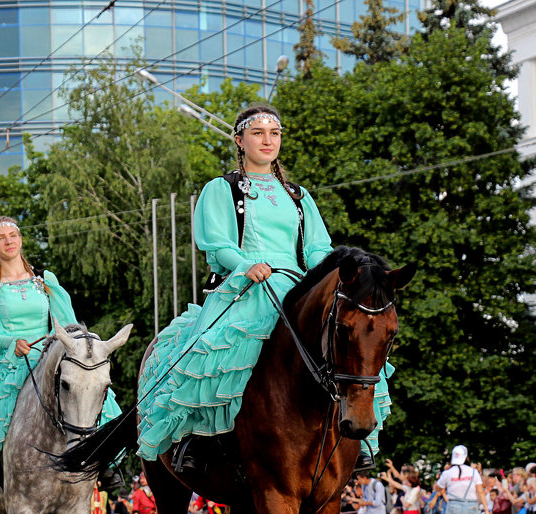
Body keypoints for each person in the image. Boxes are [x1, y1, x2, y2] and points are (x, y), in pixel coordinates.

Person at [136, 104, 391, 475]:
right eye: (258, 133)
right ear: (240, 141)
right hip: (247, 285)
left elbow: (317, 249)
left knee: (354, 343)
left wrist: (338, 271)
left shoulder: (298, 195)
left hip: (298, 288)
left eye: (274, 133)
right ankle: (194, 438)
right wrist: (244, 264)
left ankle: (358, 437)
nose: (267, 140)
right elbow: (216, 241)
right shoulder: (222, 189)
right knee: (212, 349)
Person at [0, 216, 119, 487]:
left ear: (20, 240)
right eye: (1, 238)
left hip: (49, 355)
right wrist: (11, 343)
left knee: (94, 393)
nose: (8, 242)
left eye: (12, 236)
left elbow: (68, 324)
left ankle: (105, 464)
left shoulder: (46, 280)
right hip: (10, 360)